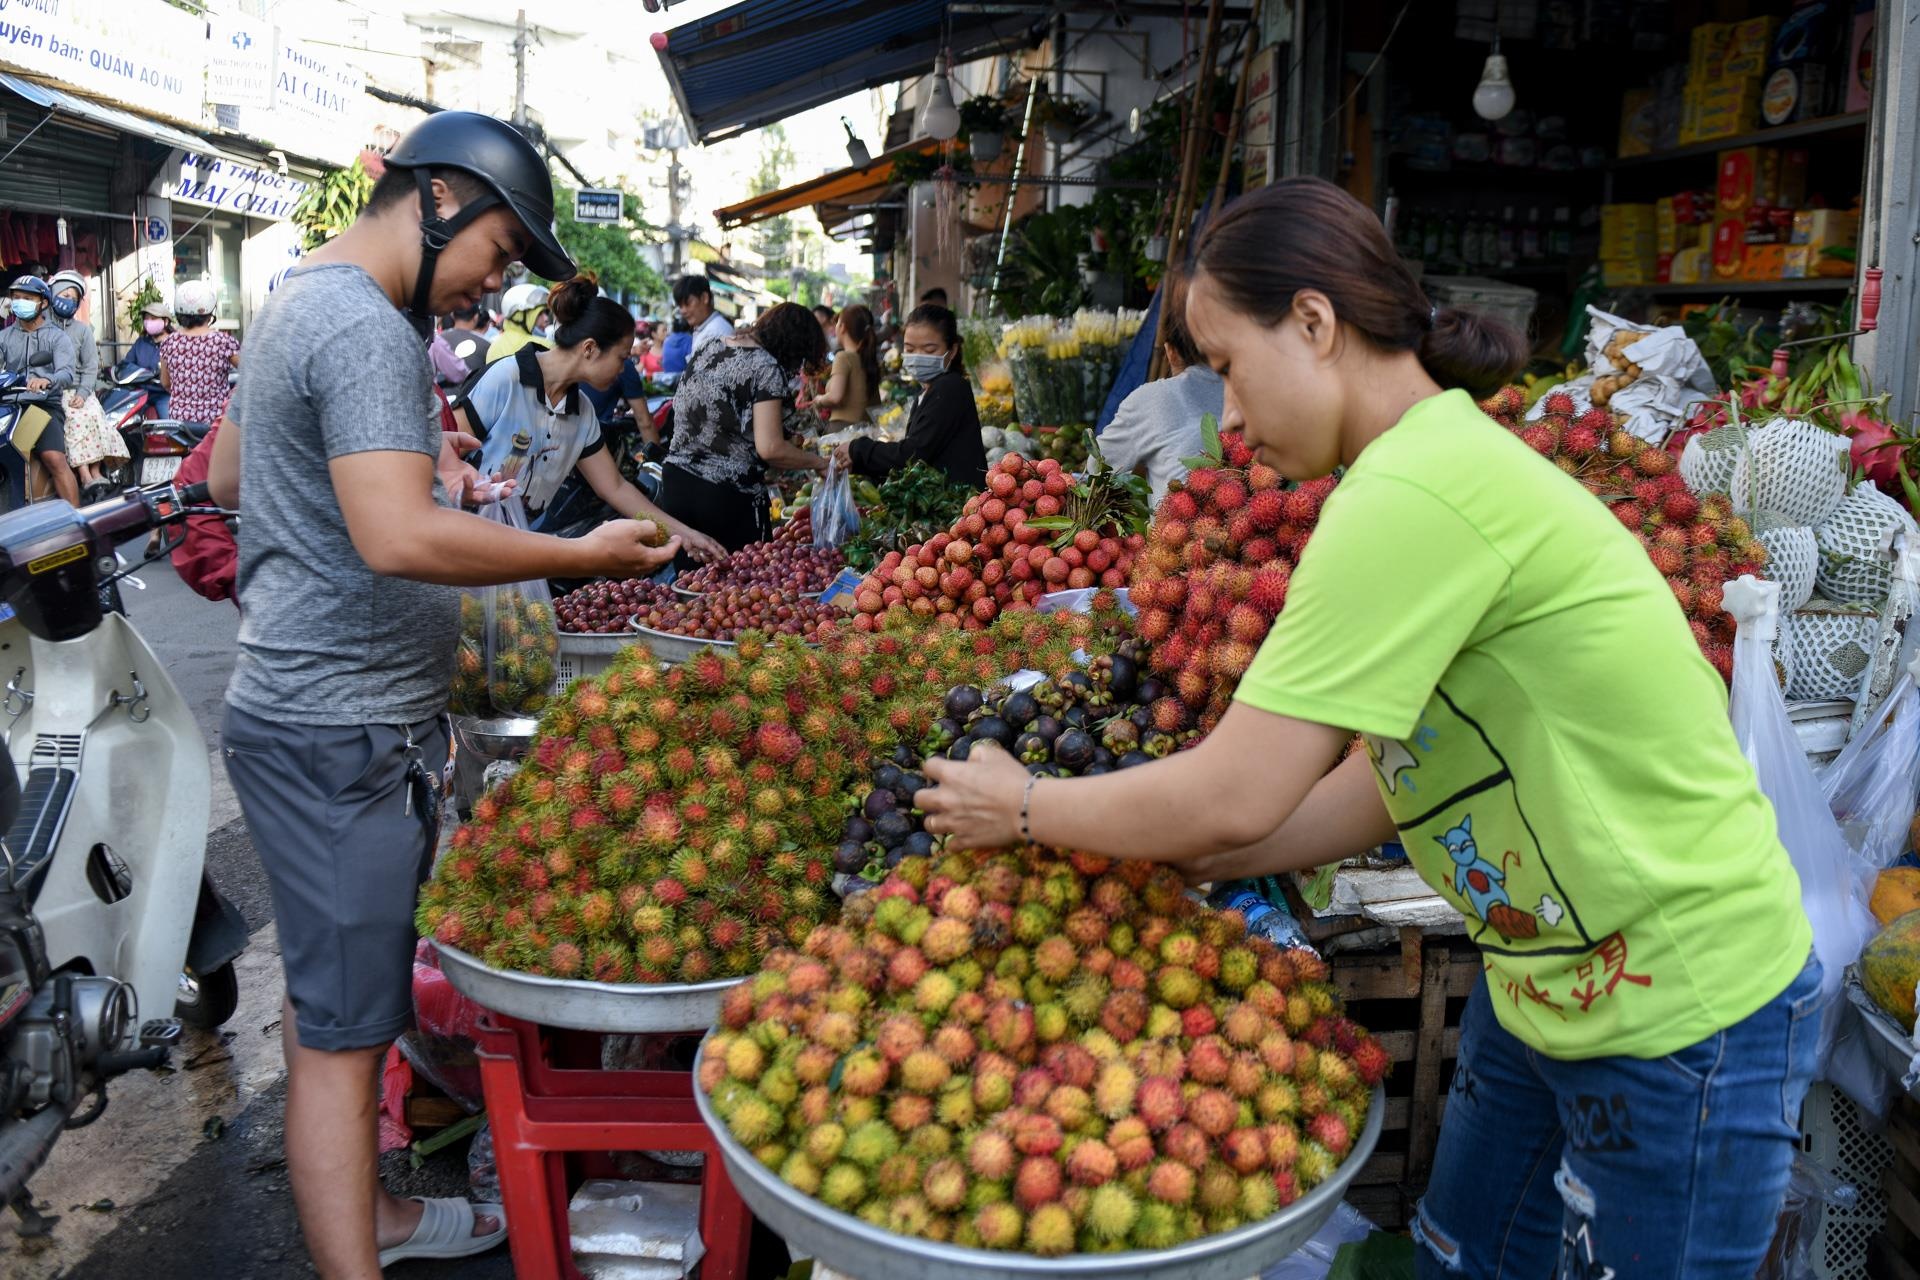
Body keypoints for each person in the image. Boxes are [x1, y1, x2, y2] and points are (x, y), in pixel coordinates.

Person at [917, 177, 1820, 1280]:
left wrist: (1018, 804)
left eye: (1226, 368)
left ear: (1313, 322)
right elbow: (1408, 772)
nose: (1228, 417)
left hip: (1686, 1008)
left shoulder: (1415, 492)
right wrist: (1227, 857)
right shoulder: (1411, 470)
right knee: (1458, 1259)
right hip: (1543, 975)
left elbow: (1230, 787)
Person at [205, 110, 680, 1280]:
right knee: (342, 1040)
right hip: (337, 729)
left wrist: (420, 466)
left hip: (314, 714)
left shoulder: (296, 293)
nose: (492, 284)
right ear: (439, 200)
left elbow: (224, 473)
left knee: (338, 1007)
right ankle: (355, 1251)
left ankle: (380, 1210)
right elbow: (395, 534)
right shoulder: (367, 325)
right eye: (499, 253)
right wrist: (578, 555)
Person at [467, 276, 722, 558]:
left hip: (514, 552)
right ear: (589, 348)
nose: (626, 368)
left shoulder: (582, 412)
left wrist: (685, 535)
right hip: (461, 543)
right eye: (622, 358)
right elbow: (444, 451)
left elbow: (614, 488)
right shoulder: (506, 378)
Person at [657, 300, 827, 553]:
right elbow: (770, 448)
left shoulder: (710, 346)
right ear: (793, 346)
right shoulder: (765, 366)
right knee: (741, 585)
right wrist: (820, 463)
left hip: (676, 485)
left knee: (692, 586)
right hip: (724, 497)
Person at [1098, 265, 1224, 504]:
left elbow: (1096, 472)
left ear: (1170, 352)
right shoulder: (1259, 392)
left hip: (1175, 538)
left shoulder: (1152, 399)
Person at [833, 303, 984, 487]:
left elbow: (913, 453)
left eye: (929, 350)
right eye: (910, 350)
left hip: (962, 507)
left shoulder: (950, 387)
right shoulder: (929, 391)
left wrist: (857, 450)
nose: (918, 356)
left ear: (952, 351)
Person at [47, 270, 128, 500]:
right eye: (63, 294)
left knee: (94, 416)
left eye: (72, 297)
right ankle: (85, 475)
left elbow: (91, 366)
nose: (67, 300)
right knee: (75, 418)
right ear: (52, 294)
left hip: (81, 390)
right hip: (56, 392)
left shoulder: (83, 330)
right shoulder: (43, 330)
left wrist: (83, 393)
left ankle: (95, 472)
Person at [0, 275, 79, 506]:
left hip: (40, 406)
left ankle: (77, 518)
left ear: (43, 303)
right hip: (9, 407)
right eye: (16, 298)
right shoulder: (4, 337)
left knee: (53, 458)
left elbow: (67, 373)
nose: (19, 302)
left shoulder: (57, 337)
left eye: (27, 298)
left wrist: (48, 380)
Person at [158, 280, 240, 442]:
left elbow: (166, 383)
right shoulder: (223, 342)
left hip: (178, 426)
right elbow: (250, 374)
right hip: (214, 426)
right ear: (210, 311)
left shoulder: (169, 342)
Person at [812, 303, 878, 426]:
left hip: (843, 431)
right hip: (867, 431)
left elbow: (835, 397)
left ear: (842, 327)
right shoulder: (867, 359)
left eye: (837, 323)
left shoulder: (843, 357)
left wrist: (819, 400)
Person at [485, 280, 550, 362]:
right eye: (539, 313)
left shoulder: (494, 347)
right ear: (519, 316)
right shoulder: (543, 346)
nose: (546, 319)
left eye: (546, 313)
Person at [673, 273, 734, 358]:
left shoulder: (715, 331)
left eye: (688, 303)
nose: (683, 311)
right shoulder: (704, 328)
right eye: (680, 306)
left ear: (705, 298)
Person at [432, 303, 491, 385]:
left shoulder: (436, 340)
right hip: (472, 394)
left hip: (441, 394)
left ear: (452, 315)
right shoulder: (486, 344)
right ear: (476, 317)